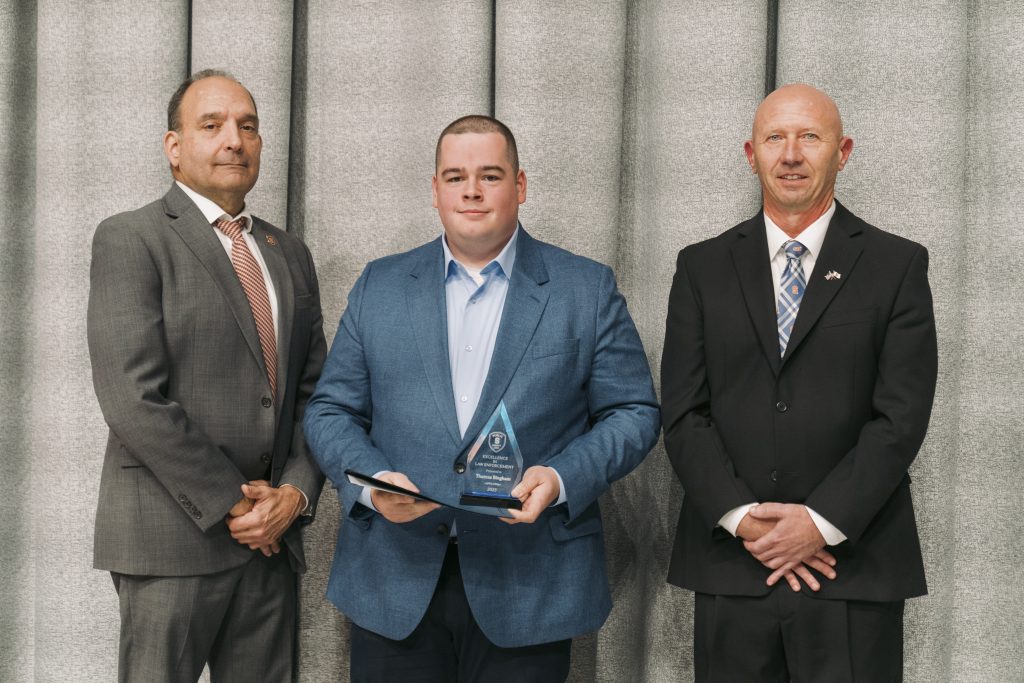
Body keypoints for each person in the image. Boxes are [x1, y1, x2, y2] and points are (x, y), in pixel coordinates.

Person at [304, 115, 660, 682]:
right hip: (394, 580)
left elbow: (634, 413)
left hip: (529, 584)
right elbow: (330, 411)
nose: (471, 191)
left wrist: (562, 478)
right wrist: (371, 484)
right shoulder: (380, 285)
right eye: (455, 177)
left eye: (490, 176)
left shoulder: (585, 288)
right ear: (435, 189)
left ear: (520, 186)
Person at [661, 83, 938, 681]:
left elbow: (901, 416)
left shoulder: (897, 265)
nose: (791, 154)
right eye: (774, 138)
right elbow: (683, 413)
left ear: (843, 152)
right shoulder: (701, 267)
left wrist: (819, 524)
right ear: (750, 153)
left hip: (852, 566)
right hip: (735, 563)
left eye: (810, 137)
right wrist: (745, 520)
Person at [87, 69, 326, 682]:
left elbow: (314, 396)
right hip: (171, 539)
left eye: (248, 126)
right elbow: (133, 399)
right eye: (212, 125)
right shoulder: (131, 238)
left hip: (271, 543)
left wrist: (293, 497)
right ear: (174, 146)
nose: (234, 140)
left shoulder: (289, 252)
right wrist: (237, 505)